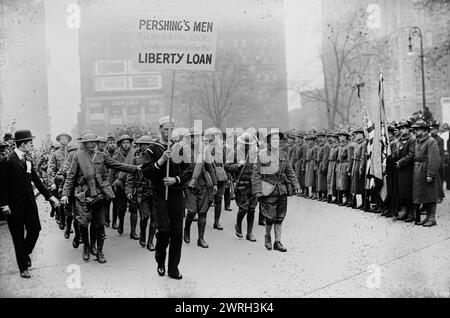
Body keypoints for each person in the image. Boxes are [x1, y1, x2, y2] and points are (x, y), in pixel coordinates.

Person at [61, 133, 139, 263]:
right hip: (83, 195)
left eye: (94, 141)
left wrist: (135, 168)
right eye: (90, 142)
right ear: (84, 144)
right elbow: (70, 177)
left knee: (100, 224)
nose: (93, 144)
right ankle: (86, 246)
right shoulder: (77, 157)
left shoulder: (102, 155)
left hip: (100, 194)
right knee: (84, 223)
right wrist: (65, 194)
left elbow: (117, 165)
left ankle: (99, 251)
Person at [0, 130, 60, 278]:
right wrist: (4, 204)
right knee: (18, 236)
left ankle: (24, 252)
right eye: (30, 144)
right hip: (13, 206)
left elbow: (37, 181)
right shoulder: (7, 160)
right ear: (23, 144)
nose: (32, 146)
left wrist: (50, 197)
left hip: (29, 202)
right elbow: (1, 185)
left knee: (35, 230)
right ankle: (23, 267)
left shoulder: (28, 160)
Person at [141, 116, 190, 279]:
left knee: (177, 233)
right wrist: (161, 160)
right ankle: (160, 260)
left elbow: (187, 170)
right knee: (164, 230)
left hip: (176, 194)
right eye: (165, 129)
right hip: (160, 194)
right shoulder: (152, 149)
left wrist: (175, 179)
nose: (168, 132)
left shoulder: (179, 148)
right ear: (160, 129)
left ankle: (173, 268)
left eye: (171, 129)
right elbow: (147, 171)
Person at [252, 131, 300, 252]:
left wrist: (296, 185)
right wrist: (257, 190)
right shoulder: (261, 155)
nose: (276, 142)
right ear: (268, 141)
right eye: (274, 140)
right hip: (268, 189)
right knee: (269, 217)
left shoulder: (283, 155)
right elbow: (256, 174)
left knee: (280, 217)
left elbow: (290, 171)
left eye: (278, 140)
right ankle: (267, 236)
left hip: (281, 190)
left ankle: (277, 242)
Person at [183, 128, 217, 248]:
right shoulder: (183, 150)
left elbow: (210, 167)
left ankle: (201, 238)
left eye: (196, 136)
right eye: (192, 136)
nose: (194, 139)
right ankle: (186, 229)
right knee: (192, 210)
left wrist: (215, 183)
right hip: (188, 184)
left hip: (202, 183)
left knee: (203, 212)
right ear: (188, 138)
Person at [225, 132, 258, 242]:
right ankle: (238, 225)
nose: (247, 146)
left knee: (252, 209)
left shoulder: (254, 155)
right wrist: (237, 165)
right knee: (243, 208)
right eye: (245, 144)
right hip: (241, 185)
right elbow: (226, 167)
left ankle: (249, 233)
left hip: (253, 185)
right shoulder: (234, 154)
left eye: (248, 144)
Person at [126, 136, 157, 251]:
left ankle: (150, 242)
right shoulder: (136, 160)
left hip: (155, 191)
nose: (145, 147)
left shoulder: (157, 159)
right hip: (142, 191)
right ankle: (142, 235)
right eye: (143, 144)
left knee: (155, 218)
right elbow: (130, 176)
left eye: (147, 145)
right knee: (145, 216)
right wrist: (129, 190)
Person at [411, 120, 443, 227]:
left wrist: (430, 174)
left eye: (418, 129)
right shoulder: (418, 140)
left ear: (425, 130)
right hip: (419, 171)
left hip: (427, 170)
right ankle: (428, 217)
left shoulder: (431, 141)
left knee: (431, 195)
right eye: (415, 129)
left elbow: (434, 159)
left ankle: (432, 218)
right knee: (424, 194)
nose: (415, 131)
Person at [108, 134, 138, 238]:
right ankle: (120, 224)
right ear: (120, 144)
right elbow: (112, 172)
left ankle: (133, 232)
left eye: (128, 143)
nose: (126, 145)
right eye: (124, 143)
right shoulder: (116, 156)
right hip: (119, 185)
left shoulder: (135, 154)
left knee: (134, 208)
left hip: (132, 183)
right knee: (122, 208)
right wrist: (110, 186)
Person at [204, 127, 229, 230]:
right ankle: (203, 217)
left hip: (220, 176)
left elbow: (224, 162)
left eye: (216, 135)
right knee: (208, 199)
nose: (214, 137)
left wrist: (226, 176)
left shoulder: (221, 148)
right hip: (209, 176)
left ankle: (216, 222)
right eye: (212, 135)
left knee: (219, 199)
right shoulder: (205, 148)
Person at [393, 120, 416, 222]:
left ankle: (412, 213)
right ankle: (406, 211)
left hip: (408, 169)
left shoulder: (412, 139)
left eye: (404, 128)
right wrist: (394, 155)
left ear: (408, 128)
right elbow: (397, 152)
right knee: (402, 192)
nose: (402, 130)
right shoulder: (400, 139)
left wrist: (400, 162)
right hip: (400, 169)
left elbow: (411, 154)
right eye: (401, 128)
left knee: (409, 191)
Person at [48, 133, 71, 230]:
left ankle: (69, 223)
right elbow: (51, 169)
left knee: (70, 203)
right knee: (62, 202)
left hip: (70, 180)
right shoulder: (55, 154)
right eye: (62, 139)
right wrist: (52, 182)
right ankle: (62, 220)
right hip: (60, 181)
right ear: (59, 140)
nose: (65, 140)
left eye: (66, 139)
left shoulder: (71, 152)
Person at [350, 128, 367, 209]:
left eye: (357, 134)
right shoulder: (356, 143)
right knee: (355, 184)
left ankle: (364, 203)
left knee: (361, 184)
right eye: (355, 134)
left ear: (362, 134)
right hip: (355, 163)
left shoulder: (364, 143)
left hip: (360, 164)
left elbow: (363, 157)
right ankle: (355, 202)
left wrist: (361, 168)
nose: (355, 135)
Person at [336, 131, 353, 206]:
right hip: (340, 165)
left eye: (341, 136)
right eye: (339, 136)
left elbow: (349, 158)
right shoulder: (340, 146)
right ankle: (343, 200)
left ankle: (349, 200)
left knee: (346, 183)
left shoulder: (348, 146)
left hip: (345, 165)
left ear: (345, 137)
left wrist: (349, 168)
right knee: (341, 184)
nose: (340, 137)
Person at [105, 135, 116, 227]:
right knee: (107, 201)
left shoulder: (117, 153)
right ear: (107, 144)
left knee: (115, 201)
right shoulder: (104, 154)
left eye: (113, 143)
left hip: (116, 179)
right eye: (110, 143)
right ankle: (107, 219)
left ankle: (115, 221)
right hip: (106, 180)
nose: (112, 145)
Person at [316, 131, 330, 201]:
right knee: (320, 180)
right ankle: (321, 195)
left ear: (325, 138)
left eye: (321, 137)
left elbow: (325, 157)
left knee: (323, 180)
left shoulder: (326, 146)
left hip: (323, 163)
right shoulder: (320, 145)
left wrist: (324, 167)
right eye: (319, 137)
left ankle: (325, 195)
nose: (320, 139)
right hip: (319, 163)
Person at [326, 132, 339, 204]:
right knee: (329, 180)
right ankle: (329, 196)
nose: (333, 140)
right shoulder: (332, 147)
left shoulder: (338, 147)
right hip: (330, 164)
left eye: (335, 139)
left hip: (335, 164)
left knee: (334, 181)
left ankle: (336, 197)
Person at [304, 134, 318, 199]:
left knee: (313, 179)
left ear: (313, 140)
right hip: (308, 164)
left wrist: (315, 166)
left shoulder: (315, 147)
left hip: (312, 164)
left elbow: (315, 157)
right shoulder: (308, 147)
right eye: (308, 140)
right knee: (309, 179)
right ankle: (311, 193)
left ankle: (314, 193)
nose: (309, 141)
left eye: (310, 140)